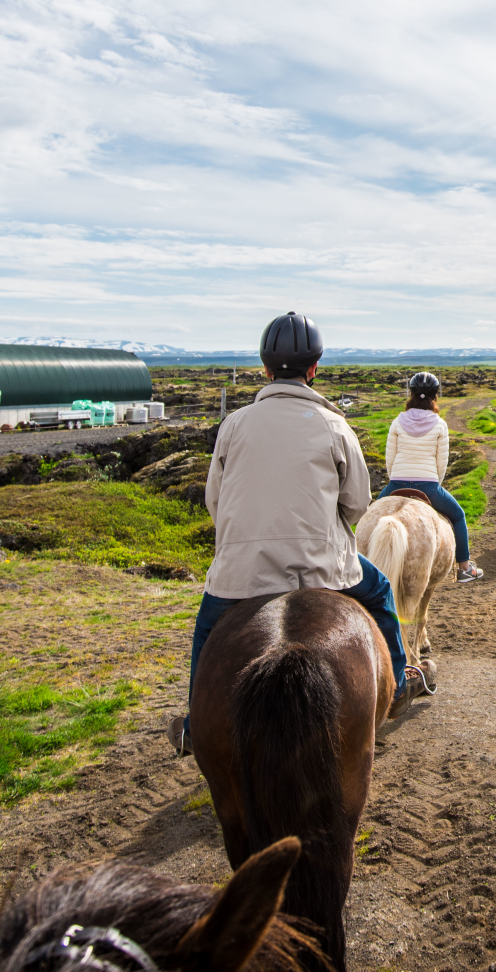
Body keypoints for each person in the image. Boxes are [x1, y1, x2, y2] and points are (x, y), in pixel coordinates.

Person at [171, 312, 429, 755]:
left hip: (241, 570)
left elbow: (215, 501)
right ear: (314, 368)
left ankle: (195, 726)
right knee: (382, 591)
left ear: (265, 368)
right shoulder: (335, 426)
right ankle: (400, 681)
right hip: (323, 566)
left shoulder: (234, 425)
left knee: (208, 627)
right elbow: (356, 504)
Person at [380, 371, 484, 582]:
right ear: (435, 396)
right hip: (428, 485)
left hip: (396, 481)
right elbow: (441, 463)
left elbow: (389, 457)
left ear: (410, 394)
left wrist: (395, 480)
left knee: (370, 514)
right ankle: (464, 568)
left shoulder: (397, 422)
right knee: (458, 516)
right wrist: (435, 485)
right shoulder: (440, 424)